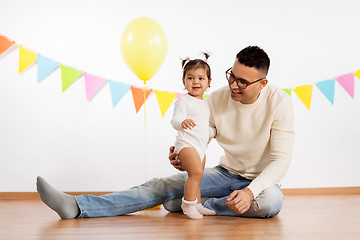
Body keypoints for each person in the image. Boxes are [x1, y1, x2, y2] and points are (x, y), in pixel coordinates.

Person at [36, 46, 294, 219]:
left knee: (270, 204)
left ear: (262, 83)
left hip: (261, 181)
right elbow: (205, 132)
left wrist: (250, 191)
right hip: (225, 173)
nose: (233, 85)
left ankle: (194, 204)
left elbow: (281, 160)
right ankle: (79, 207)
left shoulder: (279, 102)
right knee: (162, 185)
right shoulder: (215, 99)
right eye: (231, 76)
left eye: (243, 82)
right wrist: (185, 151)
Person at [171, 54, 216, 219]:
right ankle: (188, 205)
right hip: (186, 144)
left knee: (198, 175)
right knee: (196, 173)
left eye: (200, 78)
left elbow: (203, 126)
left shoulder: (206, 103)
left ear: (209, 82)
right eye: (190, 78)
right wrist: (182, 122)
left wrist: (213, 132)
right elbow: (174, 120)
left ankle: (197, 204)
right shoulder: (184, 101)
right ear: (184, 81)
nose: (196, 82)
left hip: (200, 147)